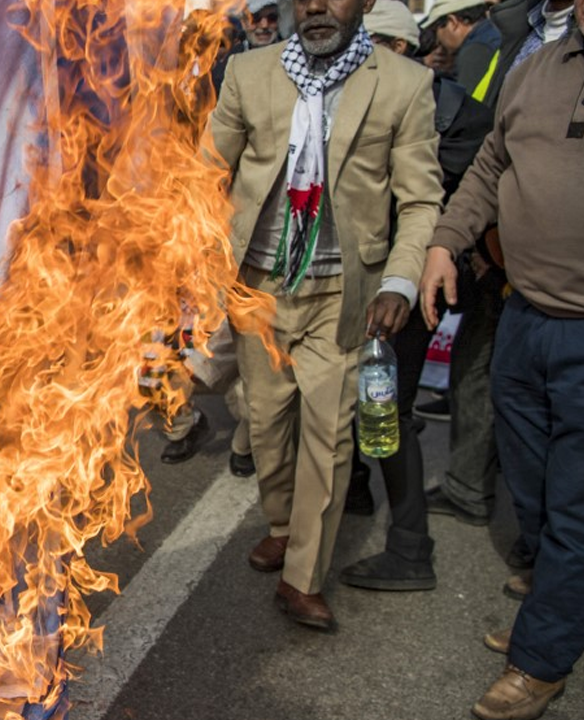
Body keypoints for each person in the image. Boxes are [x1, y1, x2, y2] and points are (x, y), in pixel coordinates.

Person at [205, 0, 443, 630]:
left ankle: (302, 576)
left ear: (364, 3)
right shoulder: (247, 74)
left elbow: (419, 199)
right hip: (257, 288)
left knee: (331, 440)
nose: (316, 6)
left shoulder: (405, 84)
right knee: (265, 422)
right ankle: (283, 524)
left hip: (345, 293)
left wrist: (399, 278)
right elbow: (205, 173)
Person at [420, 0, 584, 715]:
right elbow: (489, 165)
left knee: (575, 507)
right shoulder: (538, 68)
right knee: (534, 483)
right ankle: (560, 593)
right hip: (524, 317)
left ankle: (540, 658)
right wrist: (441, 243)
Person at [336, 0, 494, 592]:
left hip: (417, 286)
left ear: (401, 49)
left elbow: (444, 208)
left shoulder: (453, 114)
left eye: (371, 44)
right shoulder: (356, 100)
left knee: (388, 409)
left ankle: (410, 550)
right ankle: (352, 490)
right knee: (349, 396)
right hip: (363, 278)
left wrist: (413, 275)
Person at [422, 0, 503, 96]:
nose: (439, 44)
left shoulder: (475, 50)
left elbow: (462, 104)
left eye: (436, 31)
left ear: (453, 22)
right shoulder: (495, 33)